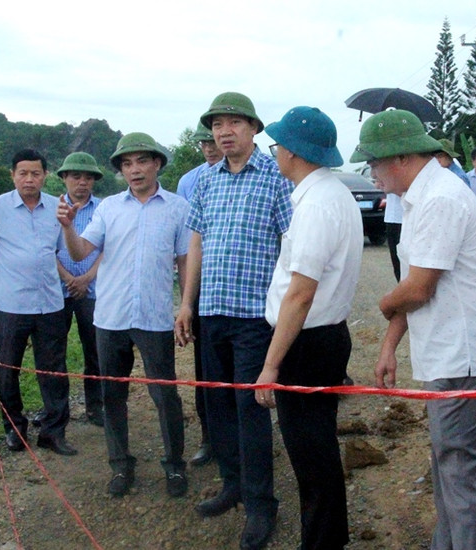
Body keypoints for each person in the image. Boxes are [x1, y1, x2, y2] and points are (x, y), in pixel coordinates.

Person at [352, 110, 476, 550]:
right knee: (451, 469)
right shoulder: (423, 198)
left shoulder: (440, 199)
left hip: (464, 357)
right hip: (451, 353)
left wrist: (383, 306)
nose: (372, 173)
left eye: (374, 163)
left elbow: (417, 288)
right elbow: (417, 285)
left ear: (400, 157)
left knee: (464, 479)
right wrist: (388, 346)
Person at [175, 91, 293, 550]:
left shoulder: (276, 178)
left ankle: (262, 505)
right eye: (217, 125)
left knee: (251, 411)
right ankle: (232, 485)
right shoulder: (206, 180)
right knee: (217, 407)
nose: (224, 132)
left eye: (233, 123)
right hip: (211, 313)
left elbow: (290, 246)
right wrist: (187, 304)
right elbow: (197, 245)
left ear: (254, 128)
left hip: (255, 318)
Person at [57, 132, 190, 499]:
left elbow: (184, 259)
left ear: (157, 164)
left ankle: (175, 466)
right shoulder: (109, 208)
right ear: (121, 170)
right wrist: (68, 226)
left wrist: (185, 304)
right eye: (127, 164)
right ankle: (120, 465)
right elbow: (83, 251)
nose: (135, 170)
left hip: (154, 316)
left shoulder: (178, 207)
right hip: (111, 316)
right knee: (112, 394)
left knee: (165, 395)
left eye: (142, 161)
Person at [254, 106, 362, 550]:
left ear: (294, 152)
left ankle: (321, 543)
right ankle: (328, 538)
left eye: (277, 144)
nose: (274, 151)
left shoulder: (317, 205)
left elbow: (300, 294)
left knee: (311, 457)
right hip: (323, 338)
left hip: (306, 343)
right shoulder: (329, 195)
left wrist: (270, 365)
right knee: (317, 453)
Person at [0, 149, 77, 457]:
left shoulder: (57, 208)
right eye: (23, 173)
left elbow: (61, 250)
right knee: (8, 369)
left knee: (54, 371)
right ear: (13, 175)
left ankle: (53, 432)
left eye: (35, 173)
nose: (29, 179)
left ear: (45, 175)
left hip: (50, 303)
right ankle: (14, 428)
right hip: (10, 305)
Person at [176, 121, 224, 467]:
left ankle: (244, 438)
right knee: (205, 366)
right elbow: (187, 241)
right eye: (203, 142)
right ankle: (210, 437)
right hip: (202, 281)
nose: (208, 147)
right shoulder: (190, 182)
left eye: (212, 141)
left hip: (236, 281)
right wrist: (186, 301)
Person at [55, 152, 105, 427]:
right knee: (54, 352)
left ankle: (96, 407)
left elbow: (107, 248)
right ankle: (57, 411)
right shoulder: (53, 208)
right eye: (76, 176)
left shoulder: (104, 209)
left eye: (88, 177)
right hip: (58, 292)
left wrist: (86, 278)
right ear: (64, 178)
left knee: (95, 351)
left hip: (93, 290)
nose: (82, 183)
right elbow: (47, 250)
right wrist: (68, 279)